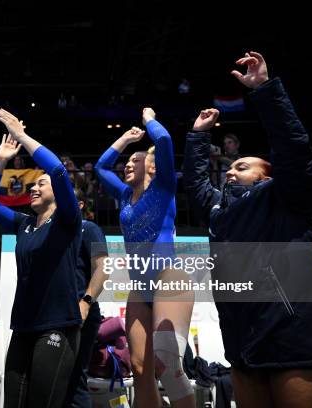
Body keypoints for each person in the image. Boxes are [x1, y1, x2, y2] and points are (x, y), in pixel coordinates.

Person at [183, 51, 312, 408]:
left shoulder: (287, 198)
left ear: (267, 176)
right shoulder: (219, 210)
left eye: (242, 166)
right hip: (241, 343)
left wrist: (265, 90)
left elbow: (293, 149)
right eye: (229, 168)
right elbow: (195, 185)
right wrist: (197, 137)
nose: (229, 172)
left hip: (293, 339)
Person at [0, 109, 83, 408]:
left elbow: (60, 172)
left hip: (57, 326)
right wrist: (0, 162)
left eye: (41, 184)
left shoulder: (68, 220)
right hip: (23, 325)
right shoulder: (23, 223)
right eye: (33, 184)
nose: (33, 187)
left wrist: (23, 137)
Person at [95, 108, 195, 407]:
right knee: (140, 369)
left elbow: (163, 141)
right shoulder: (126, 196)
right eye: (127, 162)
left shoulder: (164, 187)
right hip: (140, 287)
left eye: (135, 161)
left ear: (152, 168)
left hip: (168, 279)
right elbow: (101, 167)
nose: (128, 165)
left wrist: (149, 119)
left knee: (168, 366)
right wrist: (125, 139)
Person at [63, 188, 109, 407]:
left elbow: (104, 267)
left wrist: (86, 302)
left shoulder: (89, 228)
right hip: (56, 315)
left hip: (82, 313)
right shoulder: (54, 232)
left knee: (74, 380)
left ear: (80, 205)